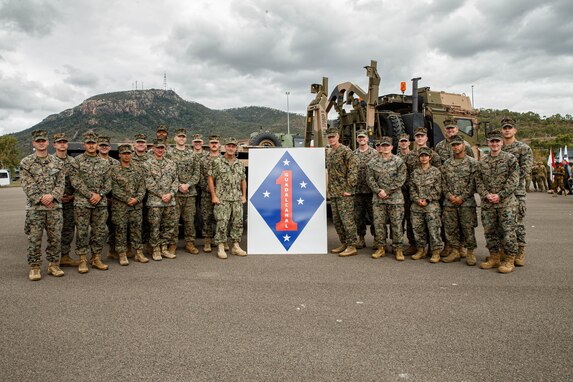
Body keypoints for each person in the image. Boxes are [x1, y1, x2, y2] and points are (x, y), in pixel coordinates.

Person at [20, 130, 65, 281]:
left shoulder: (58, 162)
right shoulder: (26, 162)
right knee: (34, 239)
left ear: (47, 142)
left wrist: (52, 196)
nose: (40, 143)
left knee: (55, 238)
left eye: (43, 140)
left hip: (54, 208)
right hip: (35, 209)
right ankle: (35, 267)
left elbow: (60, 184)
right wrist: (41, 198)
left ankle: (53, 265)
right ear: (33, 143)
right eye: (38, 141)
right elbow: (27, 184)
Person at [476, 130, 520, 273]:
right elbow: (478, 180)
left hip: (506, 203)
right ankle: (494, 257)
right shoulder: (482, 161)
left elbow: (514, 180)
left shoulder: (510, 159)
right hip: (488, 203)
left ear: (501, 142)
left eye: (497, 141)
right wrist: (486, 195)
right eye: (491, 141)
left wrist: (500, 195)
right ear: (487, 143)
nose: (494, 144)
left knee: (508, 232)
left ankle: (509, 259)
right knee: (490, 232)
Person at [70, 130, 112, 273]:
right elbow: (75, 181)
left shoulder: (104, 163)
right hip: (82, 203)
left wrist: (99, 195)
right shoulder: (77, 161)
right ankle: (82, 259)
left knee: (99, 231)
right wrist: (89, 194)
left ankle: (96, 258)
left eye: (94, 143)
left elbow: (108, 183)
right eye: (89, 143)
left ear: (97, 145)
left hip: (100, 203)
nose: (91, 146)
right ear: (84, 145)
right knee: (82, 232)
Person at [366, 136, 407, 260]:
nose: (385, 147)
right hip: (379, 198)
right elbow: (370, 179)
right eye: (383, 145)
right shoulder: (373, 162)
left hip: (395, 198)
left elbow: (401, 179)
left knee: (396, 224)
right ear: (380, 147)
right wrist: (378, 191)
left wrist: (387, 191)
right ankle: (381, 247)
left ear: (392, 147)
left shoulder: (398, 161)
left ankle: (398, 248)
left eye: (387, 145)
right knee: (379, 224)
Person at [440, 135, 479, 266]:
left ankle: (470, 253)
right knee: (451, 228)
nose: (455, 147)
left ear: (463, 145)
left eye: (458, 144)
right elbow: (443, 183)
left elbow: (474, 183)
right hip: (449, 202)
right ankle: (455, 251)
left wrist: (462, 197)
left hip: (466, 202)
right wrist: (449, 196)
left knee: (468, 228)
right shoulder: (447, 163)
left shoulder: (472, 163)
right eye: (453, 145)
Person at [208, 137, 247, 259]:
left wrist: (244, 195)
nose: (231, 148)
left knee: (237, 222)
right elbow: (210, 179)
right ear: (225, 147)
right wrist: (214, 196)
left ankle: (235, 246)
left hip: (236, 198)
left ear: (236, 148)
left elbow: (243, 180)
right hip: (222, 198)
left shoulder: (239, 163)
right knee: (222, 222)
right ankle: (220, 246)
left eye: (233, 146)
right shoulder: (217, 162)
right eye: (229, 146)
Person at [501, 117, 533, 266]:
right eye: (505, 128)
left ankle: (520, 251)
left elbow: (524, 170)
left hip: (516, 192)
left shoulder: (523, 148)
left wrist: (509, 184)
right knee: (501, 222)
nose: (507, 130)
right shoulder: (498, 147)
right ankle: (504, 250)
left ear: (515, 130)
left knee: (517, 222)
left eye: (510, 127)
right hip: (500, 192)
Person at [111, 144, 148, 265]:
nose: (127, 156)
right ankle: (122, 253)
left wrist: (137, 199)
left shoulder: (138, 169)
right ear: (120, 155)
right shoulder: (114, 170)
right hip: (120, 206)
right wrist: (127, 199)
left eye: (129, 153)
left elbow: (142, 186)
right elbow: (113, 188)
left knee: (137, 228)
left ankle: (138, 252)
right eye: (124, 153)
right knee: (120, 229)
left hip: (136, 205)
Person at [166, 128, 201, 254]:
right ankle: (172, 244)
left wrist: (188, 185)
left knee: (189, 220)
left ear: (186, 139)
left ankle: (190, 243)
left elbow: (197, 173)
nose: (181, 139)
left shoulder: (192, 154)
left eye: (183, 137)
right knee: (173, 220)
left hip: (189, 193)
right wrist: (178, 185)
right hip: (175, 193)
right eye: (179, 136)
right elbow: (167, 172)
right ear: (175, 138)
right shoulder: (168, 153)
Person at [325, 127, 359, 257]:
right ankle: (344, 243)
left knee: (347, 220)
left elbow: (353, 171)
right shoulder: (330, 152)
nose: (331, 139)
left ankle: (352, 245)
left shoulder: (346, 151)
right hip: (334, 192)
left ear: (338, 136)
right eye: (329, 137)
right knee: (337, 220)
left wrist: (349, 189)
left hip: (344, 192)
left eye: (333, 137)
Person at [145, 139, 179, 261]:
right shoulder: (147, 164)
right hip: (155, 202)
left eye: (162, 148)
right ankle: (156, 250)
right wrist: (162, 195)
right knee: (155, 226)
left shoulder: (171, 163)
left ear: (165, 149)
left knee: (168, 225)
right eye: (158, 148)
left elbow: (176, 181)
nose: (160, 150)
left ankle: (164, 248)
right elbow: (149, 182)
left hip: (170, 201)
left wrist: (170, 194)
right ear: (153, 148)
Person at [409, 147, 444, 263]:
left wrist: (427, 199)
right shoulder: (415, 172)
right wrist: (417, 199)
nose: (423, 158)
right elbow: (412, 188)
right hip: (417, 205)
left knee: (433, 230)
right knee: (418, 229)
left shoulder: (436, 172)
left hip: (431, 206)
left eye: (425, 156)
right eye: (421, 156)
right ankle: (421, 249)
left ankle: (435, 251)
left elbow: (438, 188)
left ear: (430, 157)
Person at [52, 132, 80, 267]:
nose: (62, 144)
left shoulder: (73, 162)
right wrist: (56, 196)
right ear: (54, 145)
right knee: (54, 232)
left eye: (64, 142)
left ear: (67, 144)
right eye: (59, 142)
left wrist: (73, 196)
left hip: (70, 201)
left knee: (68, 230)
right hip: (53, 202)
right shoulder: (49, 162)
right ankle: (53, 260)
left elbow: (79, 181)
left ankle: (65, 256)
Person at [353, 130, 378, 248]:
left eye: (363, 137)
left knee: (374, 216)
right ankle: (361, 238)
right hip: (358, 191)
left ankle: (377, 239)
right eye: (359, 137)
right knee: (358, 216)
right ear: (357, 140)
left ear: (367, 139)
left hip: (371, 191)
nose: (361, 139)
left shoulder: (375, 153)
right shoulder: (353, 154)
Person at [98, 136, 120, 260]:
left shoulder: (115, 163)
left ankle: (112, 250)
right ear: (98, 147)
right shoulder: (93, 161)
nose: (104, 147)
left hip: (113, 199)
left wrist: (113, 197)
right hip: (98, 199)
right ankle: (95, 255)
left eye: (106, 145)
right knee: (98, 228)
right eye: (101, 145)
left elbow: (119, 182)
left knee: (113, 225)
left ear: (110, 148)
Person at [199, 135, 221, 253]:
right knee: (206, 217)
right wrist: (209, 189)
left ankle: (219, 240)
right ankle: (207, 240)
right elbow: (200, 176)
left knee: (220, 217)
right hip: (206, 194)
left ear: (219, 145)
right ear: (209, 144)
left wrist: (219, 190)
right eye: (212, 142)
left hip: (221, 194)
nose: (214, 144)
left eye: (216, 143)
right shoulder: (203, 160)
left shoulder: (223, 159)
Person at [396, 133, 416, 255]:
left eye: (405, 141)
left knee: (411, 219)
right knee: (398, 219)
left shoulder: (414, 156)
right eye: (401, 141)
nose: (403, 143)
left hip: (411, 193)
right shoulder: (395, 158)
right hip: (399, 193)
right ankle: (398, 244)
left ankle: (412, 243)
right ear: (399, 143)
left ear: (409, 143)